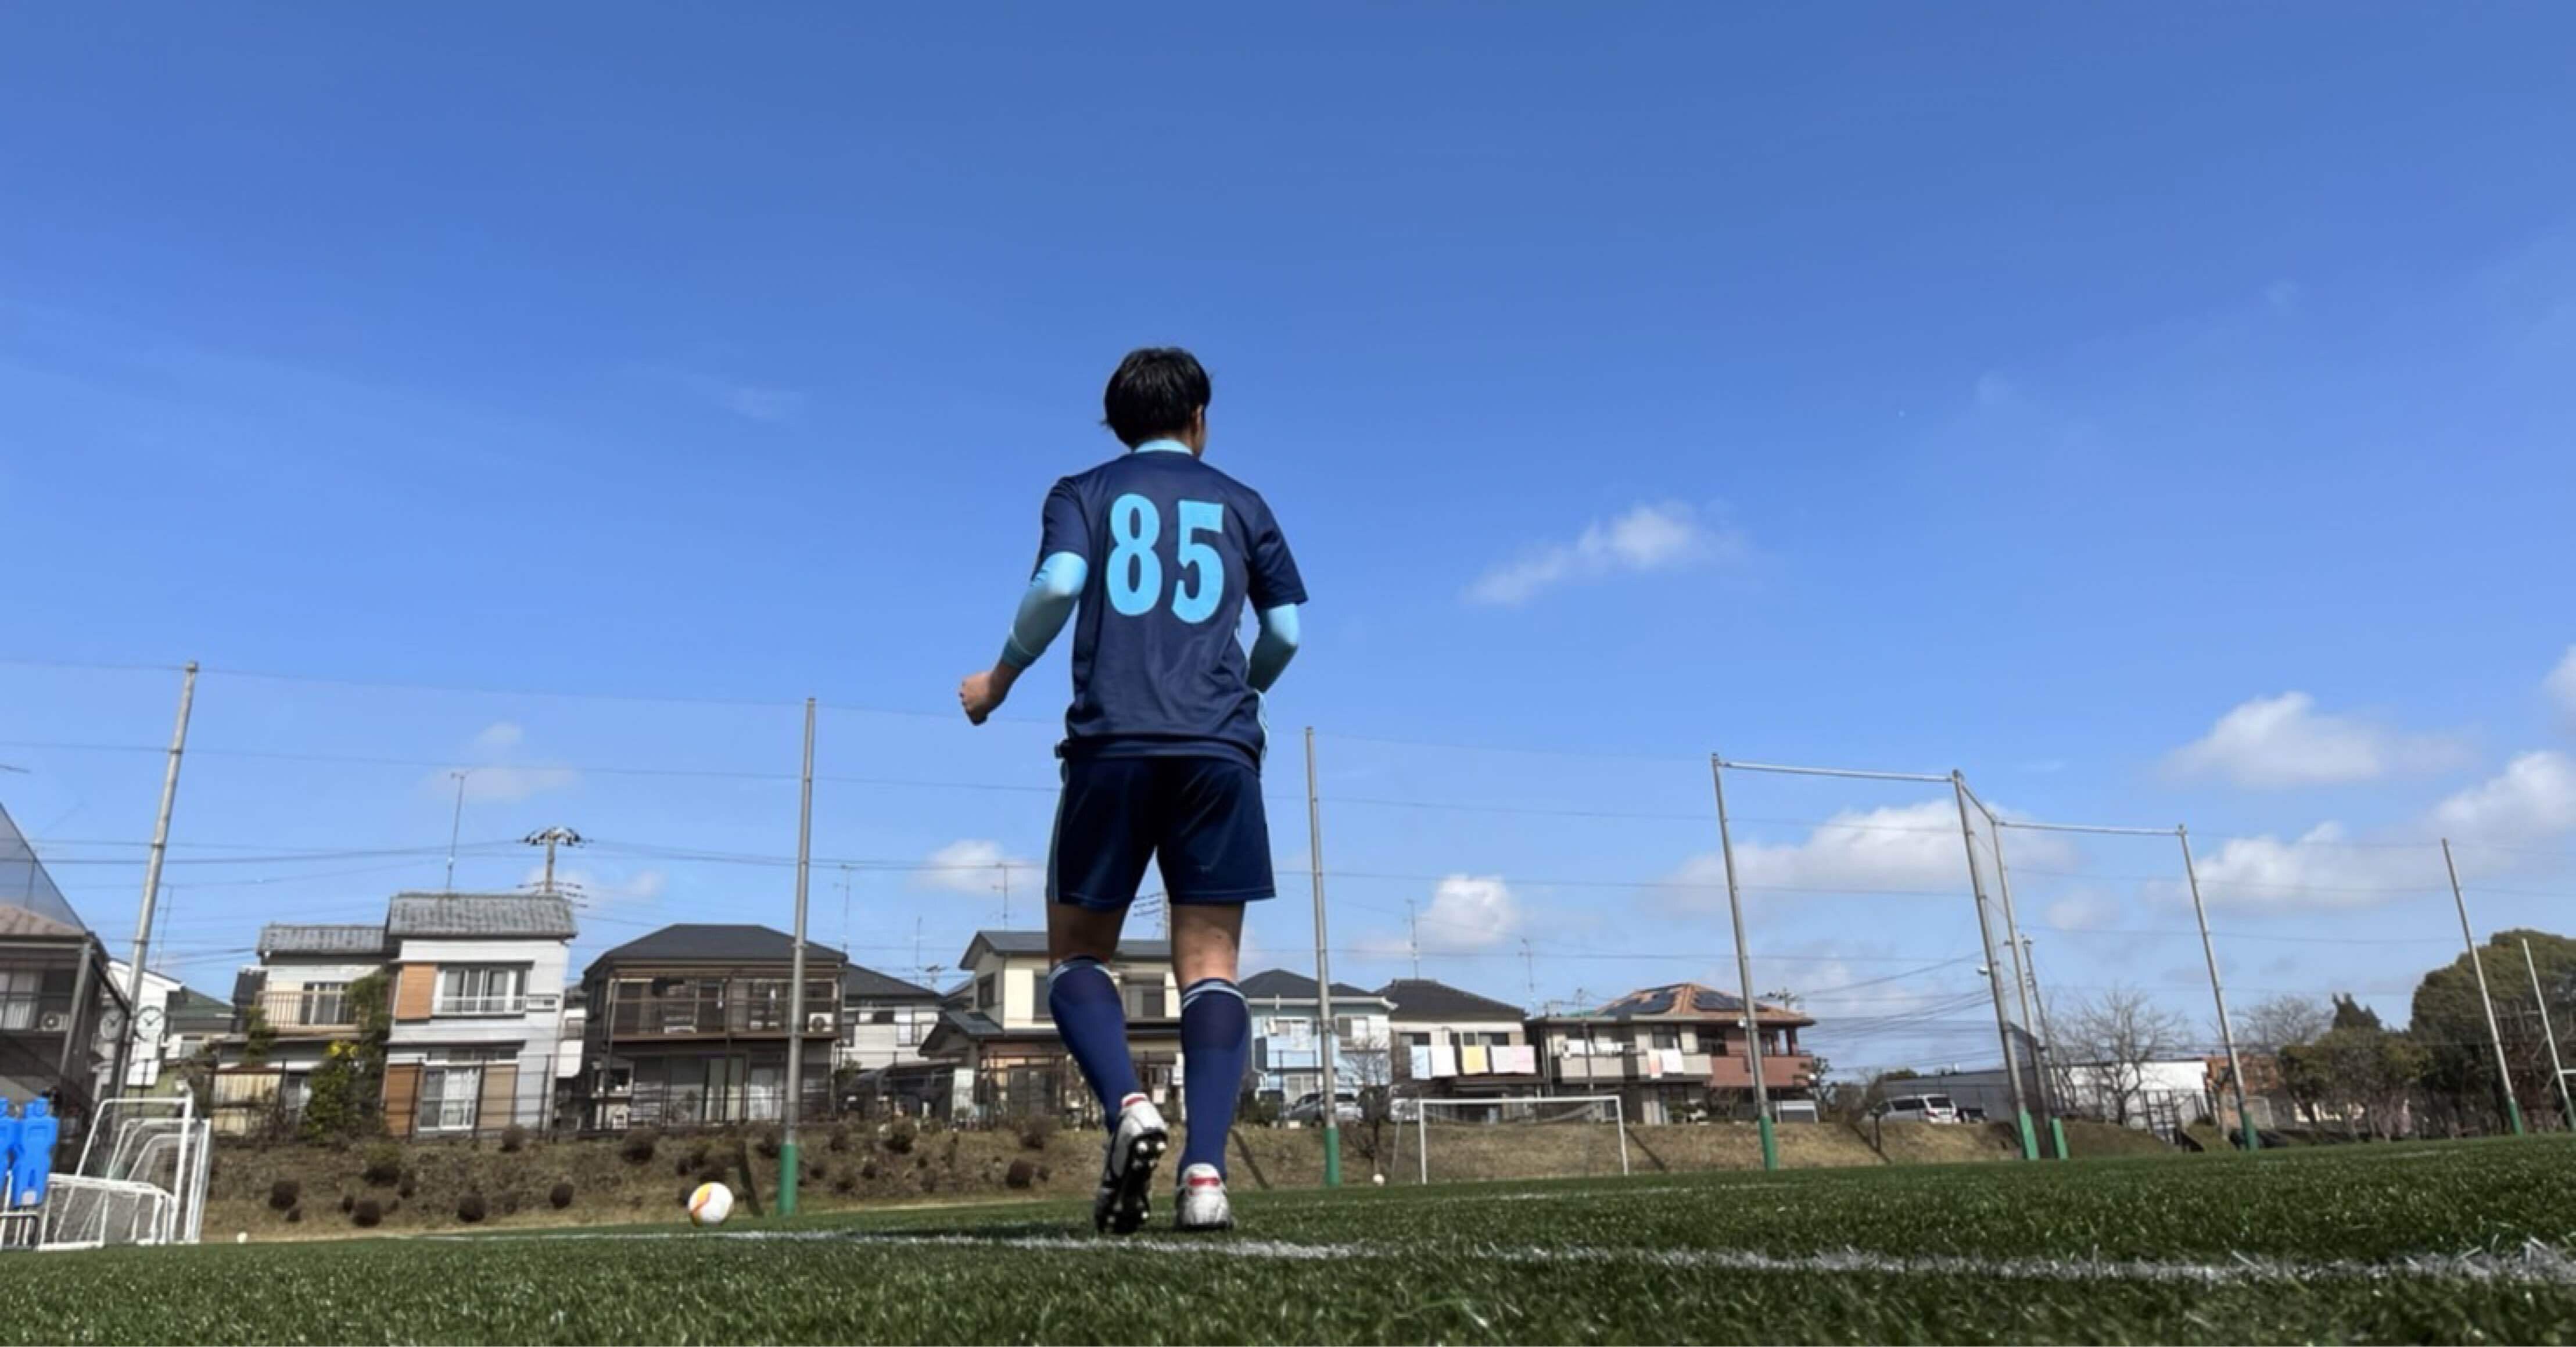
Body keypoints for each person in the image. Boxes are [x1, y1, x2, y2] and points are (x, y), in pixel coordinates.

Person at [958, 347, 1304, 1234]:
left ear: (1114, 424)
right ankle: (1205, 1175)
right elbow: (1285, 633)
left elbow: (1059, 583)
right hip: (1217, 750)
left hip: (1111, 745)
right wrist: (1242, 693)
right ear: (1199, 418)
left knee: (1078, 955)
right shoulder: (1243, 501)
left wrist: (998, 679)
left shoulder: (1082, 491)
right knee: (1210, 966)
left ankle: (1128, 1103)